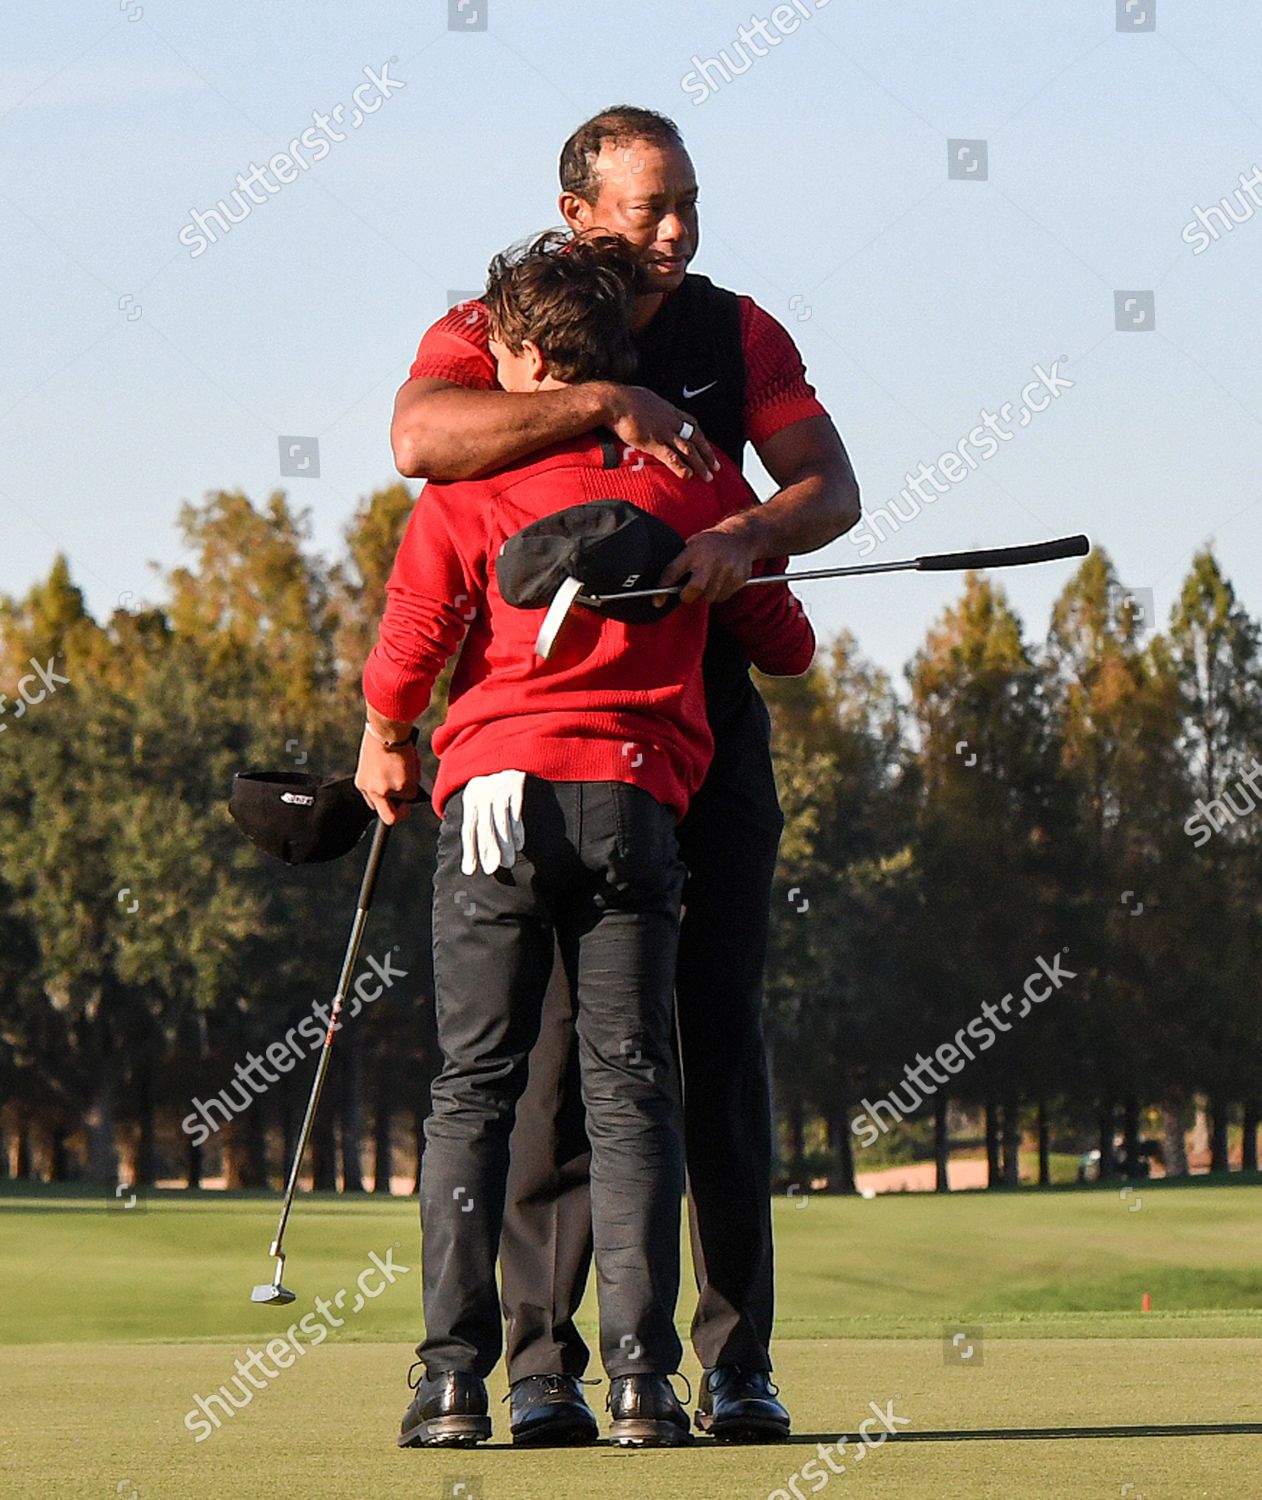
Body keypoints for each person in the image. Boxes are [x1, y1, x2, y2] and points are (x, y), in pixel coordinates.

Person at [389, 105, 861, 1445]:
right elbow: (423, 443)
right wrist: (605, 403)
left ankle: (731, 1366)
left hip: (695, 734)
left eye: (690, 204)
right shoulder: (502, 322)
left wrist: (749, 531)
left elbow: (830, 488)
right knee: (551, 1068)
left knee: (710, 1044)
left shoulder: (736, 331)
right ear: (576, 209)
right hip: (549, 745)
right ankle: (541, 1373)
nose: (676, 233)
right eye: (649, 209)